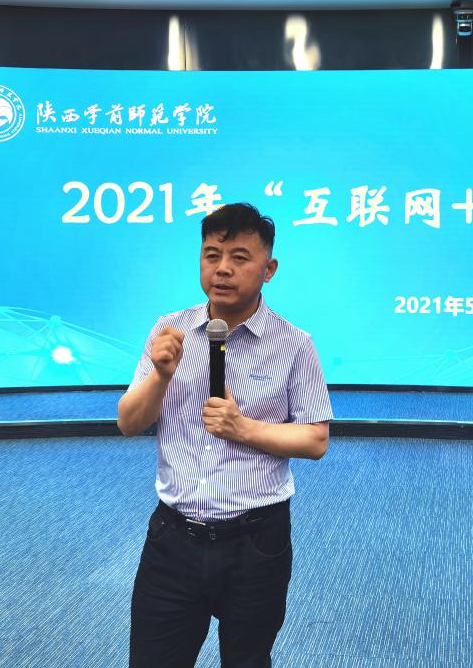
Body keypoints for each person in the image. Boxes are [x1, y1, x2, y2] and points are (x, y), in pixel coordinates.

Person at [118, 203, 332, 668]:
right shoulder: (169, 332)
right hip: (173, 539)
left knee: (247, 660)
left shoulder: (295, 345)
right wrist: (160, 376)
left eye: (239, 257)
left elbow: (315, 440)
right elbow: (129, 422)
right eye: (212, 255)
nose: (222, 269)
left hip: (256, 543)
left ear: (268, 269)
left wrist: (243, 428)